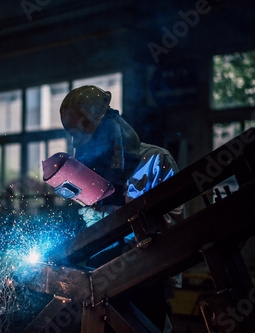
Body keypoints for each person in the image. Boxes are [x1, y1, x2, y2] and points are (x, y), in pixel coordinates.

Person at [59, 85, 183, 332]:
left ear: (100, 125)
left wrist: (117, 220)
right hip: (101, 280)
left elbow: (171, 231)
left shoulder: (156, 161)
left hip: (148, 277)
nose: (75, 142)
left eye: (77, 133)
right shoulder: (90, 173)